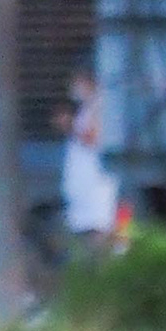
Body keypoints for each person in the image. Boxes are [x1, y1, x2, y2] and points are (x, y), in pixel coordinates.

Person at [61, 70, 120, 254]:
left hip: (96, 178)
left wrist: (69, 126)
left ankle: (110, 260)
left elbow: (94, 139)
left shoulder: (100, 105)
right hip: (84, 179)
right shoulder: (88, 107)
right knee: (88, 226)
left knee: (99, 224)